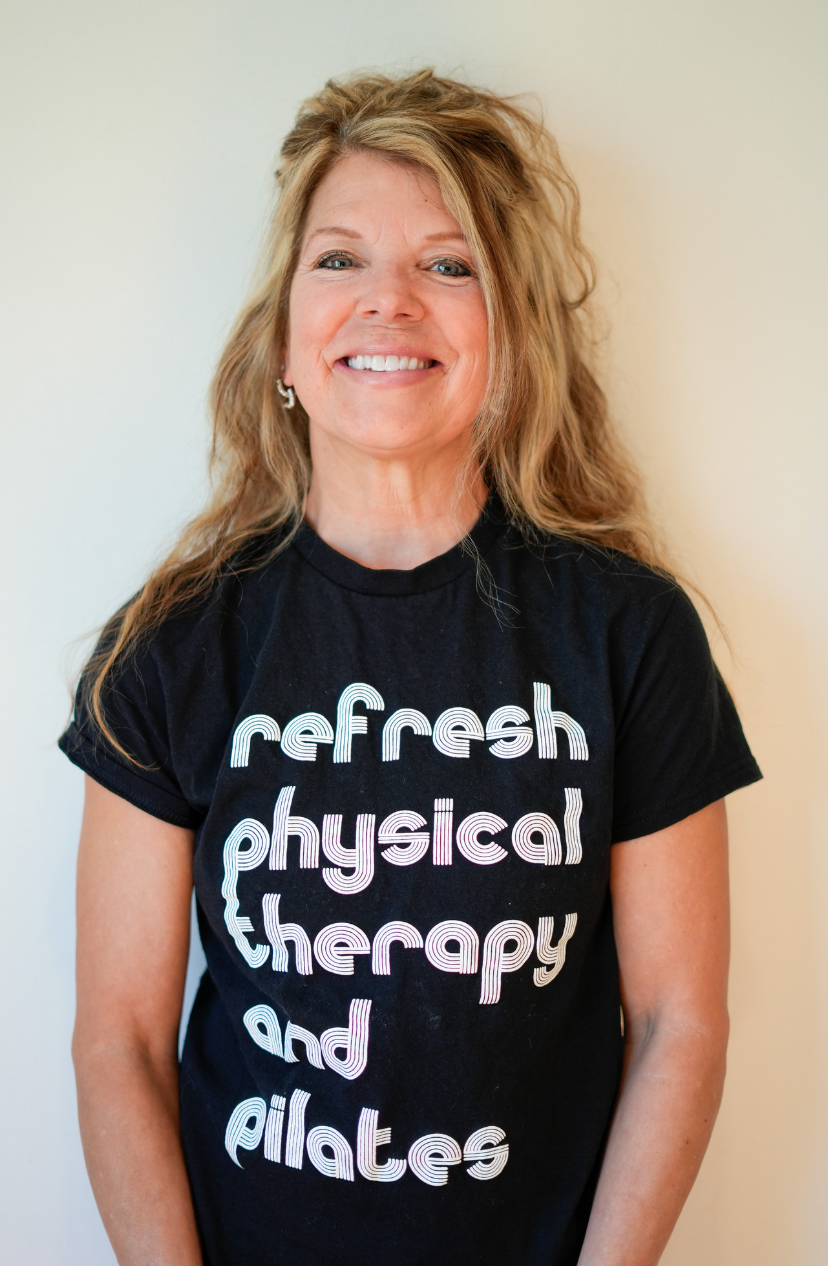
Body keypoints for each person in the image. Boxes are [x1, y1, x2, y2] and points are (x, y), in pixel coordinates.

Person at [61, 69, 761, 1266]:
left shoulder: (630, 634)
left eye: (450, 265)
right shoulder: (172, 646)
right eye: (338, 261)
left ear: (513, 333)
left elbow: (679, 1024)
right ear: (283, 334)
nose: (389, 302)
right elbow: (118, 1039)